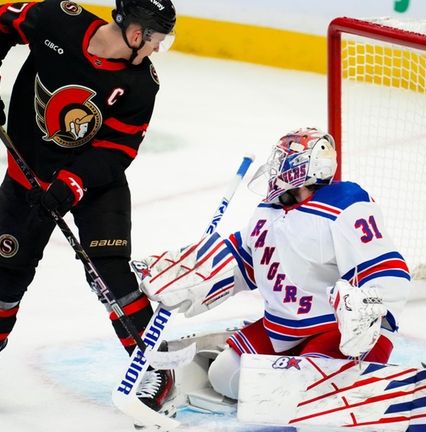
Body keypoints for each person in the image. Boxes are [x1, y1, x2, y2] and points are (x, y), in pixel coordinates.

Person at [0, 0, 177, 415]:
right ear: (136, 33)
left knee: (109, 271)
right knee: (5, 275)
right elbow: (2, 18)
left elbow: (118, 148)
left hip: (95, 185)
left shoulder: (141, 84)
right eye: (157, 39)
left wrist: (73, 183)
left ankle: (154, 367)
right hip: (26, 177)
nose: (158, 49)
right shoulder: (58, 20)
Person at [136, 127, 411, 409]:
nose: (276, 165)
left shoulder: (345, 204)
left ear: (302, 168)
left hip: (341, 332)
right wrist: (192, 272)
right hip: (284, 331)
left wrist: (368, 308)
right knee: (223, 376)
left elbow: (387, 269)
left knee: (304, 391)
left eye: (284, 158)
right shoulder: (268, 211)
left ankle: (390, 393)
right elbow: (244, 261)